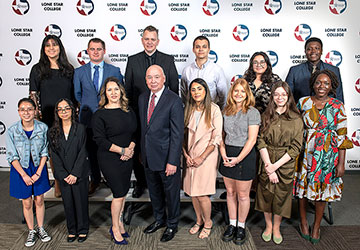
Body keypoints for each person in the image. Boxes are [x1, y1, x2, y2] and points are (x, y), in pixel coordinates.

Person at [294, 70, 353, 244]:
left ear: (331, 86)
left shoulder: (337, 106)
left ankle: (317, 226)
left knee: (322, 192)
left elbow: (342, 137)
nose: (322, 86)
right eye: (319, 82)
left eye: (326, 83)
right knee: (302, 190)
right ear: (313, 84)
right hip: (305, 154)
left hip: (328, 156)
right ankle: (304, 222)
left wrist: (341, 164)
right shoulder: (303, 102)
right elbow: (296, 128)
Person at [125, 25, 179, 198]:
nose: (149, 42)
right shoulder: (133, 60)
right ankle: (141, 183)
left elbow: (174, 87)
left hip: (162, 114)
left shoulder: (168, 59)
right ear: (142, 40)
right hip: (140, 114)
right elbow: (128, 89)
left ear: (158, 41)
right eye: (146, 39)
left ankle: (162, 184)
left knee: (160, 148)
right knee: (141, 149)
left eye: (152, 39)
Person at [139, 65, 184, 242]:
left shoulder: (173, 100)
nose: (153, 81)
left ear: (164, 78)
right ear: (146, 79)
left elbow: (177, 133)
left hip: (167, 159)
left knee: (171, 194)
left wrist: (173, 161)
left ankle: (172, 224)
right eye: (149, 77)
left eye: (157, 77)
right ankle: (159, 219)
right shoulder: (143, 98)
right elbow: (145, 129)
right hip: (148, 157)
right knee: (154, 192)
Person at [255, 81, 303, 245]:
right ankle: (268, 226)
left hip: (285, 163)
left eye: (283, 94)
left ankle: (276, 227)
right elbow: (260, 141)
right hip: (267, 159)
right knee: (266, 196)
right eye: (276, 94)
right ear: (272, 97)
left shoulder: (296, 119)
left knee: (281, 197)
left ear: (288, 96)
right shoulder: (265, 116)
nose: (280, 97)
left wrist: (276, 167)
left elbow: (296, 147)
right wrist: (269, 166)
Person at [74, 38, 123, 195]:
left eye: (99, 49)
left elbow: (120, 93)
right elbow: (77, 94)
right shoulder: (79, 72)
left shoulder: (114, 71)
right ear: (87, 51)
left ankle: (111, 178)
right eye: (92, 49)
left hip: (110, 119)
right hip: (88, 120)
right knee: (91, 152)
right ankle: (95, 179)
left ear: (104, 51)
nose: (96, 52)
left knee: (109, 150)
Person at [92, 77, 136, 245]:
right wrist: (122, 151)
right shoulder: (100, 114)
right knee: (118, 194)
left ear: (121, 91)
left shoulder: (128, 110)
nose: (113, 93)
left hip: (127, 158)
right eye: (109, 90)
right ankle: (115, 228)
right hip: (110, 159)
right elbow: (100, 140)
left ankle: (121, 223)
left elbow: (135, 132)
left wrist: (130, 149)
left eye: (116, 89)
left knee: (123, 193)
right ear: (105, 93)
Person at [29, 34, 75, 198]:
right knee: (53, 151)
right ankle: (57, 182)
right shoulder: (37, 69)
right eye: (47, 45)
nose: (51, 48)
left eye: (54, 45)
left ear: (60, 47)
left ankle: (68, 179)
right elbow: (33, 95)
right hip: (47, 117)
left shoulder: (68, 69)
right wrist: (36, 118)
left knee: (68, 150)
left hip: (67, 116)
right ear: (43, 49)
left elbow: (74, 95)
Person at [219, 78, 260, 245]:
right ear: (232, 92)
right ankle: (232, 224)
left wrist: (237, 159)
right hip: (227, 154)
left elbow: (252, 140)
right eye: (236, 90)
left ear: (247, 94)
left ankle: (241, 227)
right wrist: (223, 154)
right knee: (230, 193)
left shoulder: (253, 112)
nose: (239, 94)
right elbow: (220, 136)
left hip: (244, 156)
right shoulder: (225, 110)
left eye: (242, 91)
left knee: (243, 195)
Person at [6, 98, 52, 247]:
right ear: (19, 112)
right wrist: (24, 175)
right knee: (27, 202)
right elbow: (11, 156)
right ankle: (31, 230)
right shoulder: (12, 131)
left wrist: (38, 173)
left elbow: (45, 151)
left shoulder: (43, 128)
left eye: (29, 109)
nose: (26, 112)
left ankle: (41, 228)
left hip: (38, 167)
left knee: (39, 199)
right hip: (21, 169)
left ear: (35, 111)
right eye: (23, 109)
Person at [182, 78, 222, 239]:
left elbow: (216, 137)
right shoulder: (188, 109)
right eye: (193, 89)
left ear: (205, 91)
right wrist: (185, 155)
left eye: (199, 89)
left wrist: (201, 157)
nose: (196, 92)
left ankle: (208, 223)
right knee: (192, 192)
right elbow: (182, 135)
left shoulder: (214, 109)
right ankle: (198, 220)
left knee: (202, 194)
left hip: (207, 156)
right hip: (190, 156)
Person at [48, 98, 90, 243]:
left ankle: (83, 229)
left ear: (72, 110)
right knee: (68, 204)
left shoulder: (80, 129)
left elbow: (83, 152)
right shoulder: (52, 131)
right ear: (57, 112)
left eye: (66, 108)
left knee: (81, 202)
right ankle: (72, 230)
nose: (64, 112)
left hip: (79, 174)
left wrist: (75, 173)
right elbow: (54, 155)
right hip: (64, 175)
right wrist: (64, 175)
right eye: (60, 109)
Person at [286, 37, 344, 103]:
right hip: (301, 111)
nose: (313, 51)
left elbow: (339, 98)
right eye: (309, 49)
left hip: (328, 112)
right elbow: (287, 96)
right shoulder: (294, 71)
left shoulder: (334, 70)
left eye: (317, 48)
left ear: (321, 51)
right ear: (305, 51)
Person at [181, 36, 228, 109]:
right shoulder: (186, 71)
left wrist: (217, 111)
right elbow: (183, 94)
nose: (201, 49)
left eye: (204, 47)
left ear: (209, 49)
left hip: (211, 112)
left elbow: (223, 95)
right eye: (197, 47)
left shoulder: (217, 70)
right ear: (193, 50)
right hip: (191, 112)